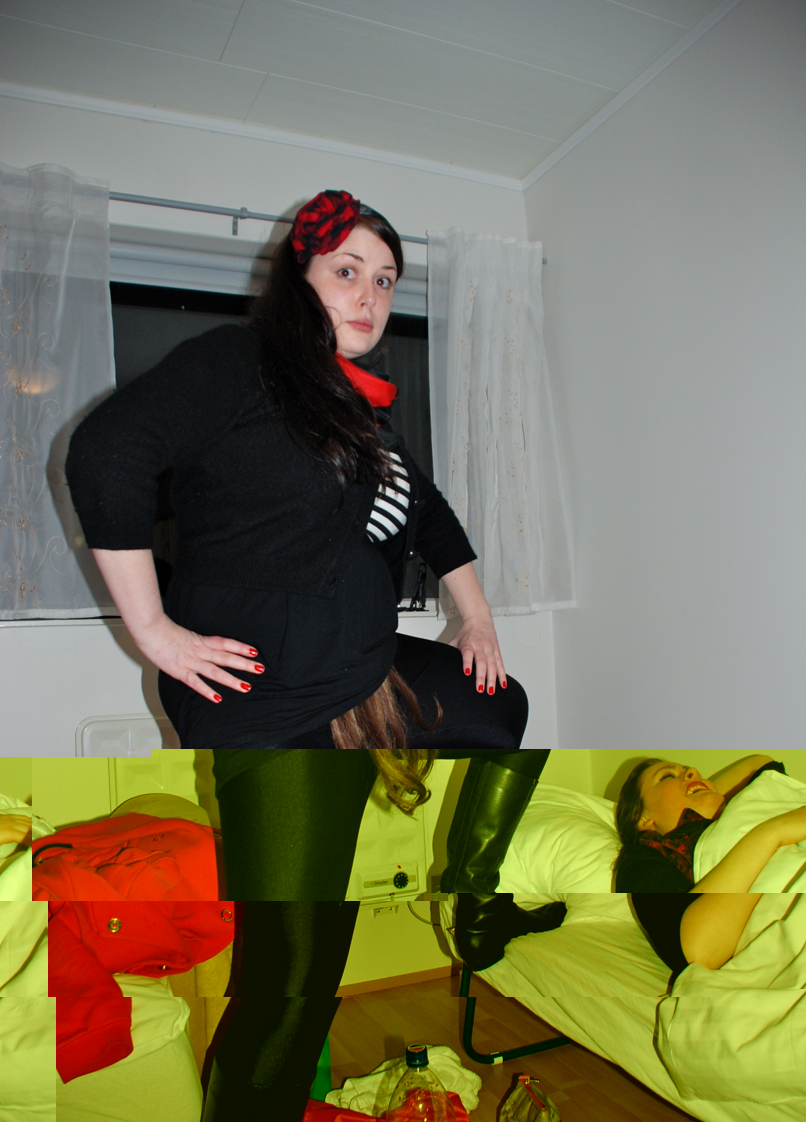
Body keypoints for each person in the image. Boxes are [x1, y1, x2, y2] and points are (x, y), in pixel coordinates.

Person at [65, 190, 527, 749]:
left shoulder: (359, 413)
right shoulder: (243, 360)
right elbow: (108, 455)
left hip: (360, 667)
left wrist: (477, 618)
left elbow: (426, 509)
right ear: (299, 279)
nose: (370, 296)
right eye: (347, 272)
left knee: (497, 704)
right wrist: (155, 632)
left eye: (384, 281)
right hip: (262, 692)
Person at [163, 747, 558, 1122]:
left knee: (308, 993)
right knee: (287, 994)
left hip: (352, 722)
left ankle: (477, 901)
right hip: (286, 728)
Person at [613, 755, 806, 980]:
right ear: (642, 818)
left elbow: (761, 764)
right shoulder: (642, 860)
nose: (694, 770)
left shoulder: (746, 810)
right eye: (666, 776)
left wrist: (701, 790)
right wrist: (773, 833)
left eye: (690, 770)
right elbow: (701, 950)